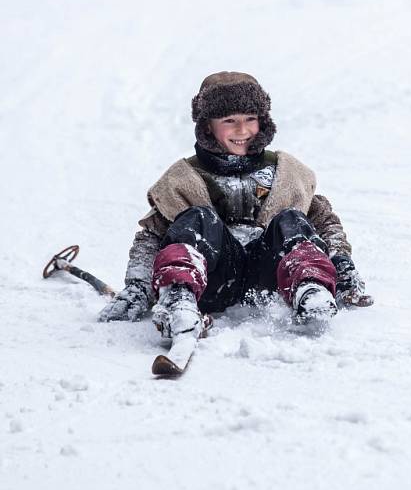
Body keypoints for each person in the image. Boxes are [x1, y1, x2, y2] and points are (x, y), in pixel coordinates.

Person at [99, 71, 371, 339]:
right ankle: (178, 297)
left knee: (292, 219)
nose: (243, 130)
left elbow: (323, 222)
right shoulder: (184, 179)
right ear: (208, 126)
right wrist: (139, 285)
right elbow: (152, 235)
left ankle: (310, 288)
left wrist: (342, 263)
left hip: (272, 279)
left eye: (250, 119)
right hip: (214, 280)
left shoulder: (286, 173)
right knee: (197, 218)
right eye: (229, 120)